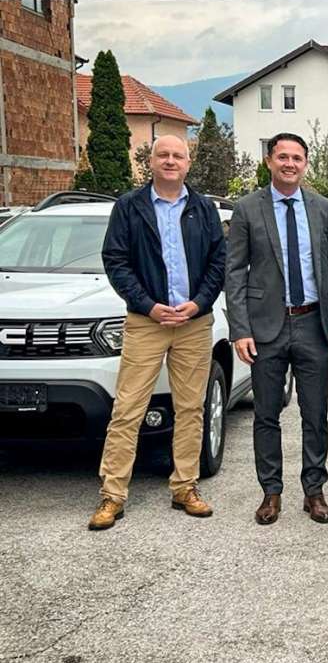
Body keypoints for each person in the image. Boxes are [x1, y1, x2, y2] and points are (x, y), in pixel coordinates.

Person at [89, 135, 225, 530]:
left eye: (177, 155)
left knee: (191, 408)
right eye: (162, 154)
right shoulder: (129, 207)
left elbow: (218, 261)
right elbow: (116, 260)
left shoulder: (203, 208)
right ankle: (113, 495)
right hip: (147, 322)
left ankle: (185, 487)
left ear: (188, 163)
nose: (170, 161)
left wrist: (199, 303)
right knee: (128, 408)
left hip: (193, 324)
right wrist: (147, 304)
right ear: (150, 161)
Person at [225, 132, 328, 526]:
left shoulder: (323, 209)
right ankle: (271, 492)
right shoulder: (248, 209)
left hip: (313, 324)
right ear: (269, 161)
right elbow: (234, 272)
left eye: (297, 158)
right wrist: (240, 329)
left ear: (305, 163)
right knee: (266, 414)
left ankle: (314, 490)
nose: (290, 164)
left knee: (316, 413)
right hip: (266, 327)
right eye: (283, 157)